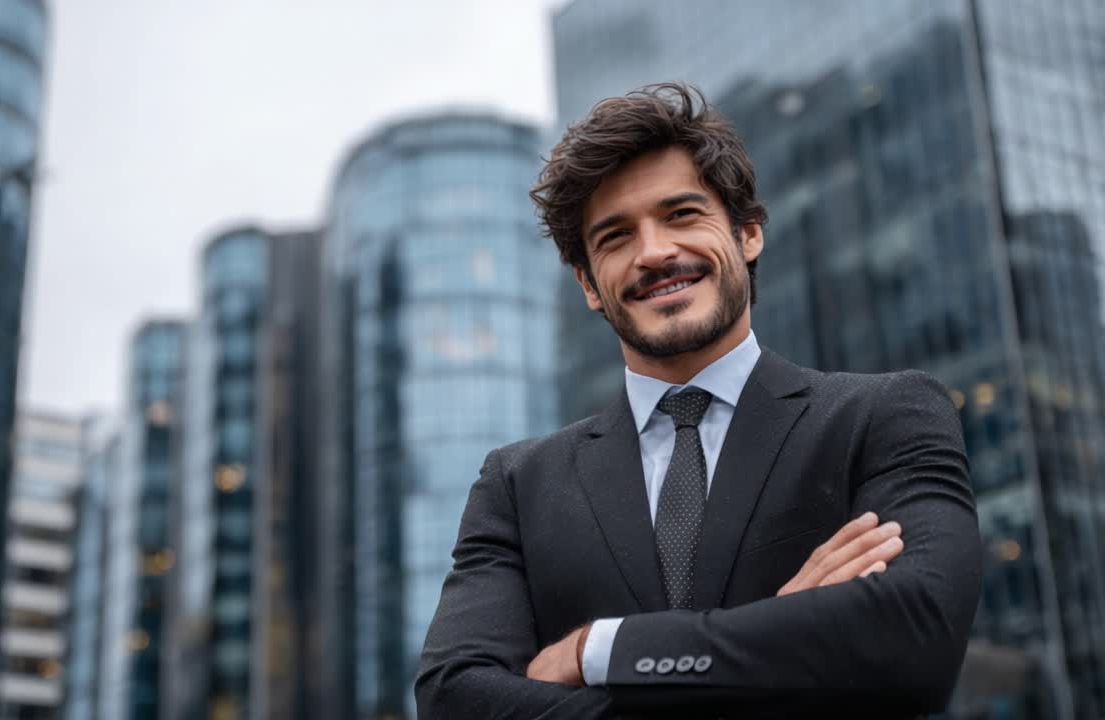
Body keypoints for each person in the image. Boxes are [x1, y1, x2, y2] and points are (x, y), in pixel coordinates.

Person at [415, 82, 982, 718]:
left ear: (747, 235)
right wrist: (785, 634)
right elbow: (453, 697)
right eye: (615, 238)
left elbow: (920, 632)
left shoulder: (883, 417)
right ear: (589, 286)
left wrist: (599, 651)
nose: (655, 253)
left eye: (682, 214)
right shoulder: (517, 485)